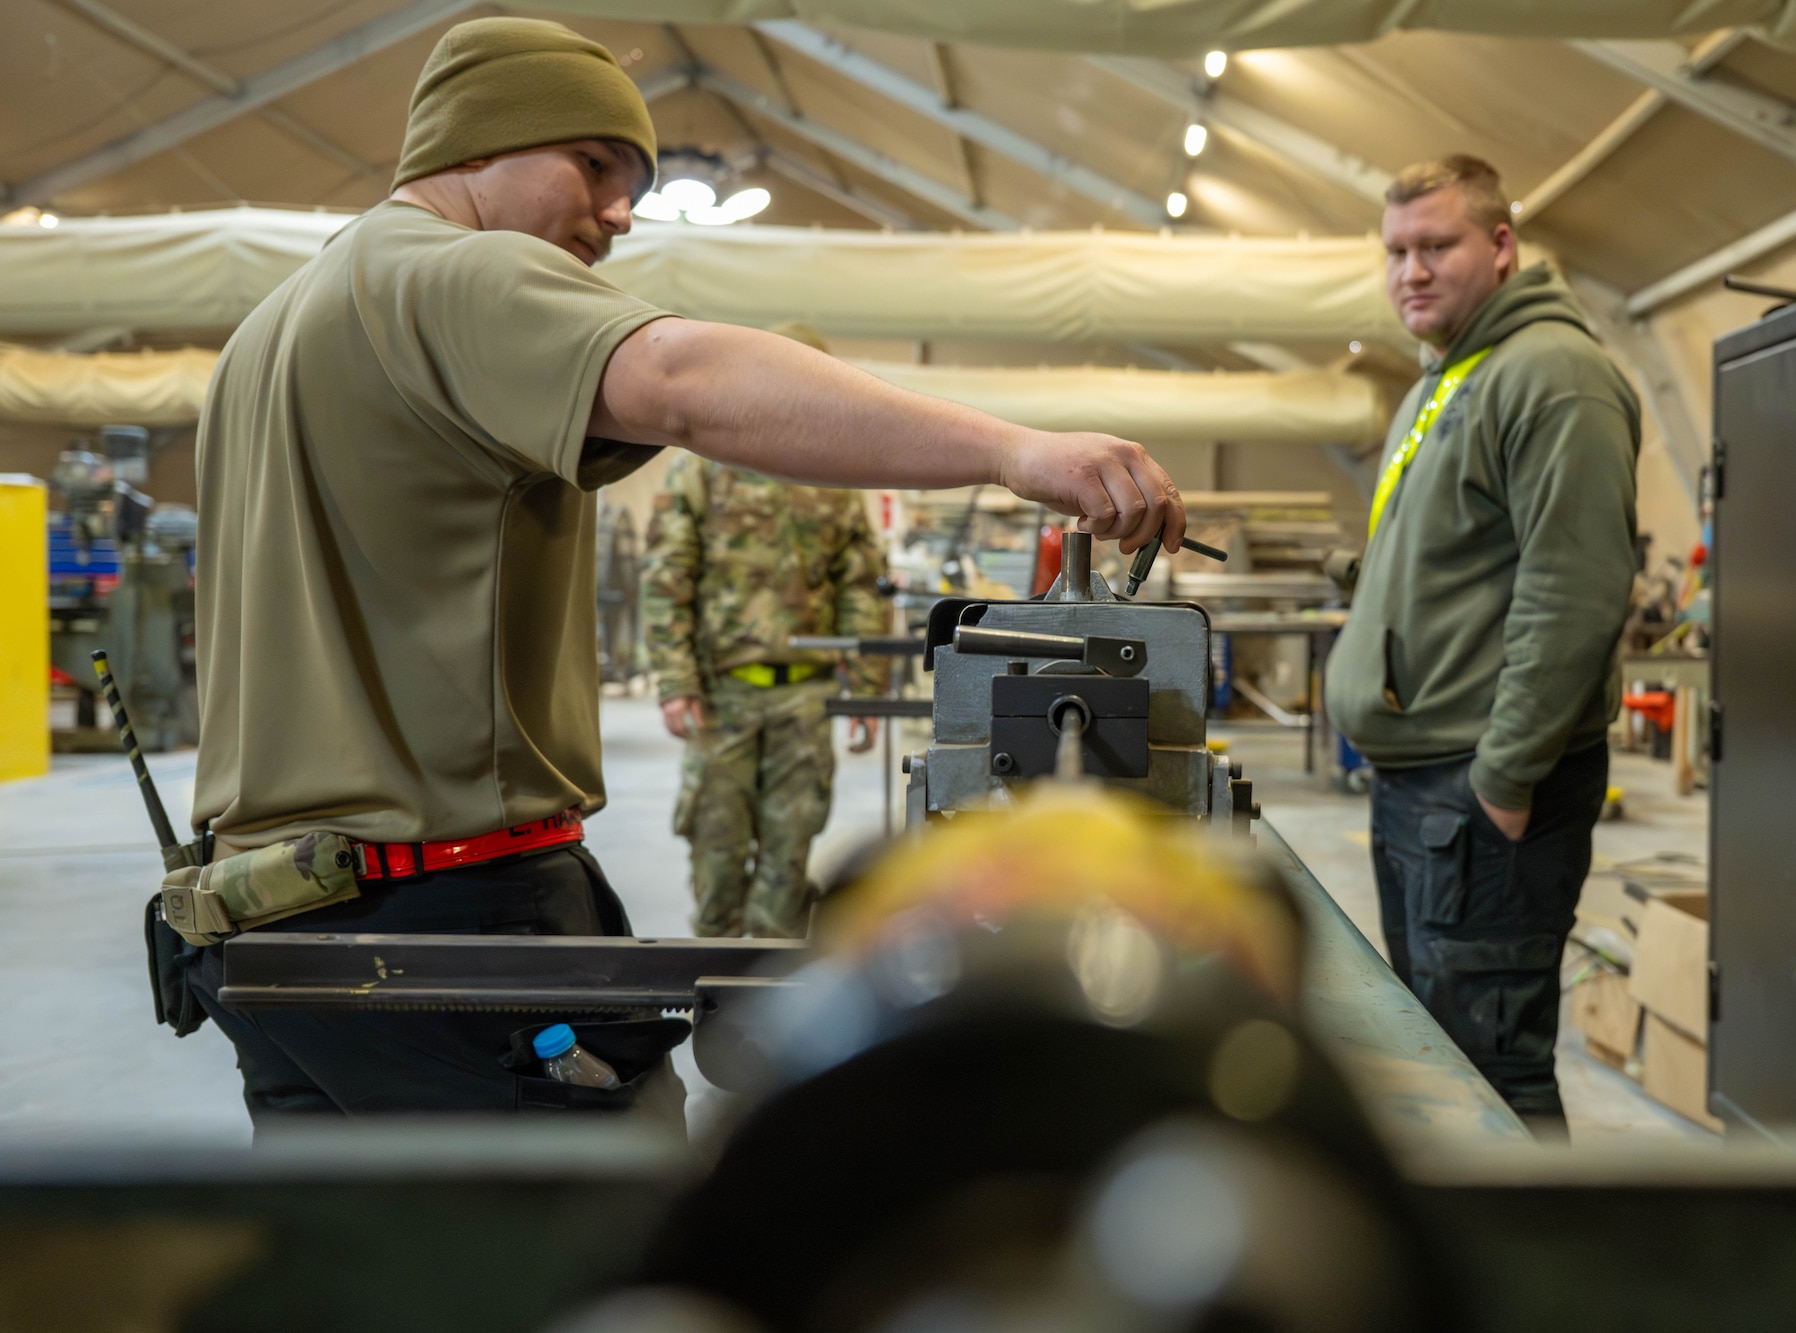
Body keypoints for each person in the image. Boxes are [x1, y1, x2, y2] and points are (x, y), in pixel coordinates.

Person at [181, 16, 1184, 1121]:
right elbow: (680, 376)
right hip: (447, 914)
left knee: (374, 1268)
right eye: (593, 164)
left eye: (634, 183)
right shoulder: (448, 277)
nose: (618, 212)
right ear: (471, 149)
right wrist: (1012, 451)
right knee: (612, 1256)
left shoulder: (269, 331)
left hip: (265, 931)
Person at [1324, 155, 1640, 1134]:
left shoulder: (1549, 375)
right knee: (1438, 1061)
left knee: (1491, 1076)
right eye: (1393, 252)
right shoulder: (1445, 380)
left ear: (1499, 247)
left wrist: (1503, 780)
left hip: (1480, 790)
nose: (1408, 272)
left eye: (1434, 246)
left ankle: (1536, 1281)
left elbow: (1573, 592)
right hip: (1419, 782)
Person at [644, 331, 890, 937]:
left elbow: (859, 584)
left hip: (804, 700)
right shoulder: (702, 466)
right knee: (717, 855)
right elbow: (668, 575)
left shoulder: (836, 476)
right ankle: (715, 1004)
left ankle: (763, 1006)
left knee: (789, 860)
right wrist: (676, 682)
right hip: (721, 694)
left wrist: (866, 686)